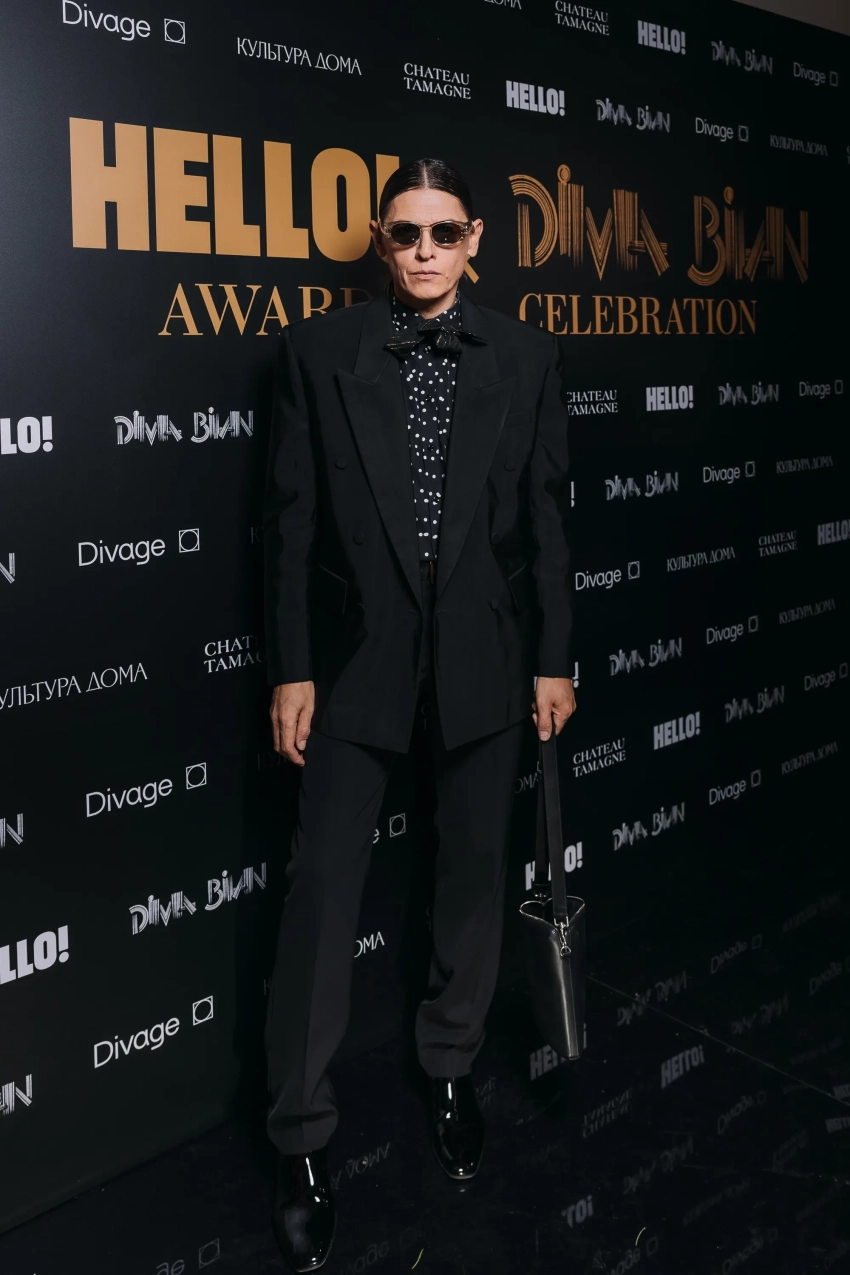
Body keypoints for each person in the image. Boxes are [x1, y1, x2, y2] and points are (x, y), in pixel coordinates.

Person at [262, 157, 576, 1272]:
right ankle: (300, 1136)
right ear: (381, 240)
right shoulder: (316, 352)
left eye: (446, 231)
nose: (427, 250)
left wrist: (554, 658)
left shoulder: (528, 354)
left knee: (473, 873)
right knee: (320, 891)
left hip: (489, 653)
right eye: (407, 232)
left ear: (475, 238)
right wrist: (293, 669)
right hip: (356, 661)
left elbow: (548, 521)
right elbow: (289, 526)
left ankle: (450, 1068)